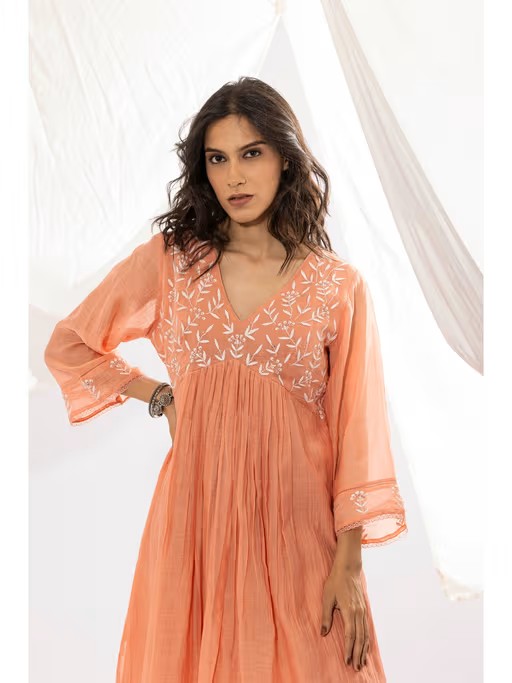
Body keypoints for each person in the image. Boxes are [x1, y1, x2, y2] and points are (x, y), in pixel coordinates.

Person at [44, 76, 407, 682]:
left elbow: (357, 433)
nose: (234, 176)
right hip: (195, 526)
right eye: (217, 159)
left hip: (297, 533)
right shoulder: (172, 263)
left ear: (285, 158)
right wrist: (160, 396)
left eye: (251, 153)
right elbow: (70, 343)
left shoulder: (337, 287)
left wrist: (349, 565)